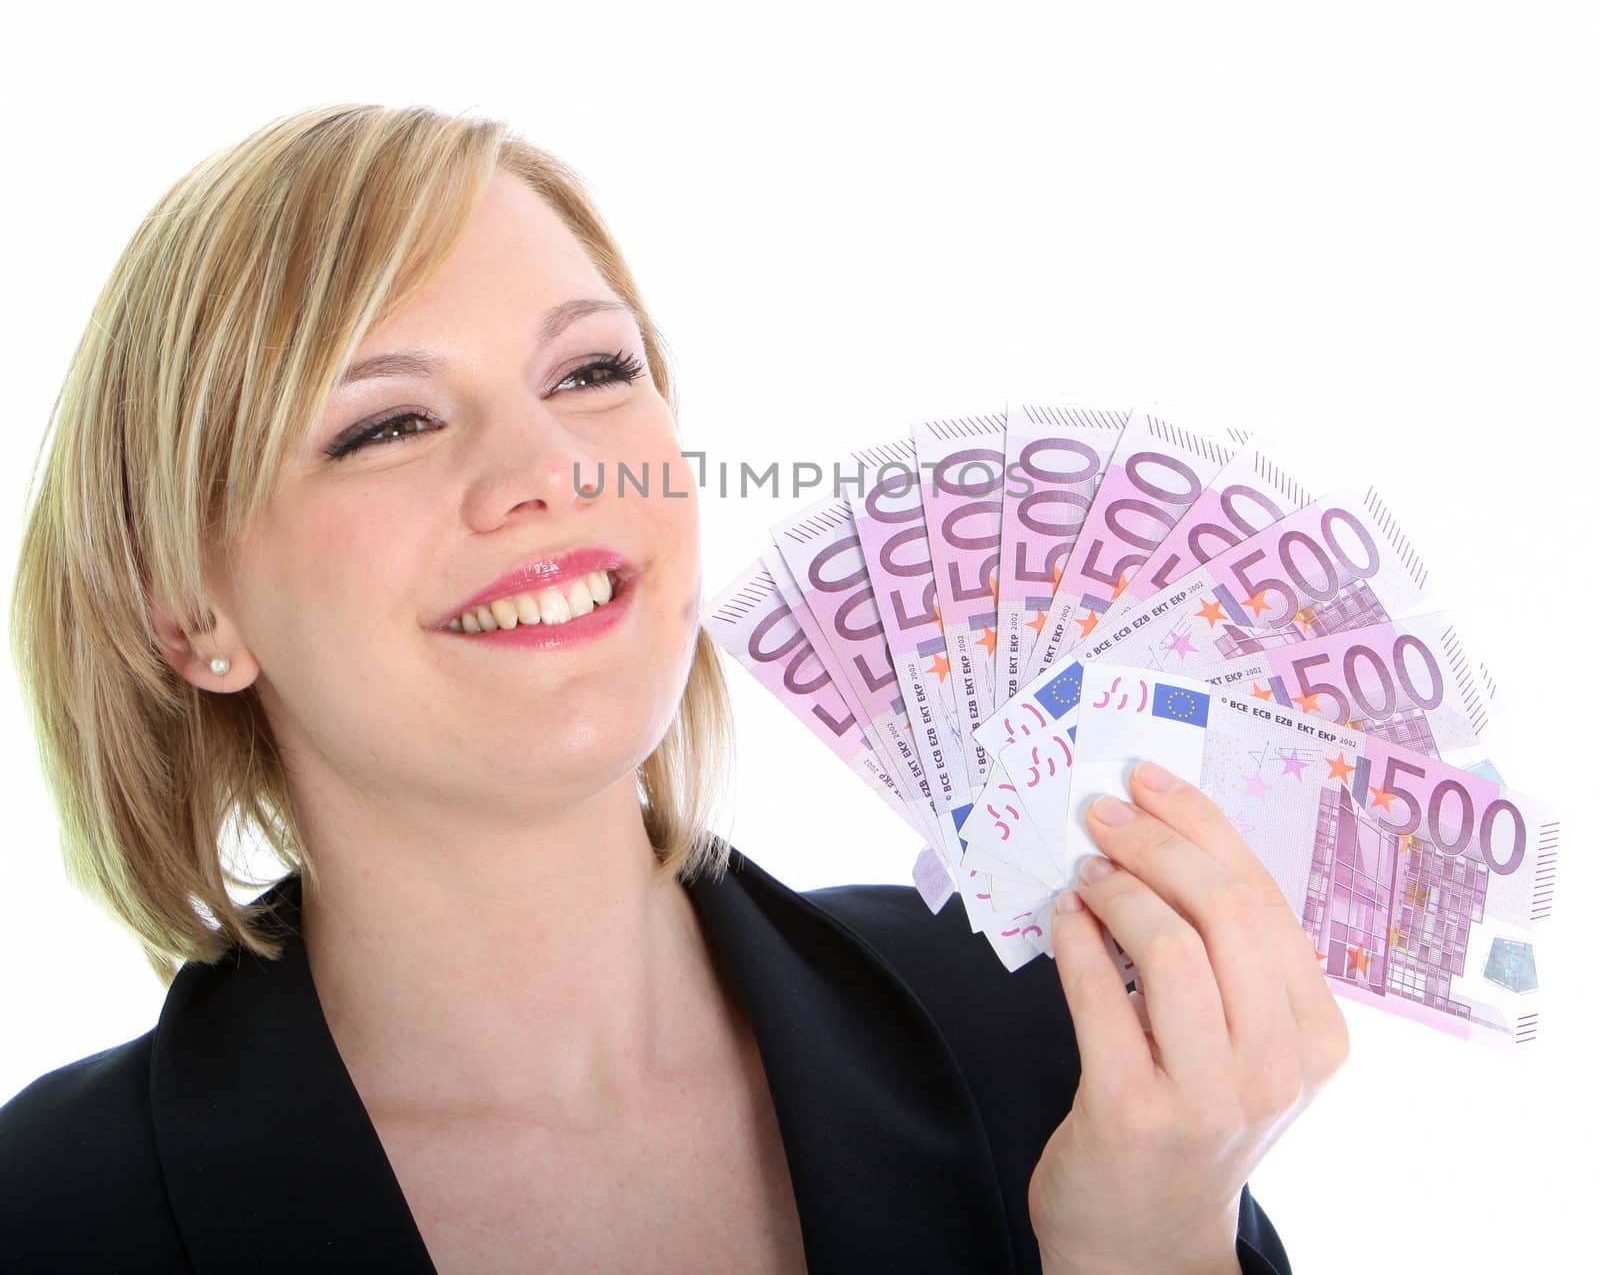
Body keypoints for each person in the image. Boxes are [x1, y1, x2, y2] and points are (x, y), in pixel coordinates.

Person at [0, 103, 1345, 1272]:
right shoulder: (49, 1215)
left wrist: (1144, 1257)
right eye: (387, 423)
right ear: (188, 612)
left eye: (591, 371)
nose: (552, 466)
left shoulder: (1045, 1031)